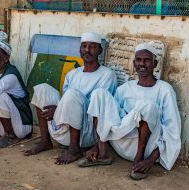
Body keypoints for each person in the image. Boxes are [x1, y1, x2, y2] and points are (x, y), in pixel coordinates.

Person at [79, 42, 181, 180]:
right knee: (99, 94)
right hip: (121, 143)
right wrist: (96, 146)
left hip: (147, 148)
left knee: (148, 106)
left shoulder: (165, 90)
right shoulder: (125, 88)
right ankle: (103, 152)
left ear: (155, 63)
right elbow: (109, 117)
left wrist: (150, 160)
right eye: (138, 60)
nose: (142, 64)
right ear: (134, 63)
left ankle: (138, 161)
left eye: (147, 60)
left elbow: (172, 130)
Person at [24, 32, 118, 165]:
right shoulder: (72, 74)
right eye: (84, 46)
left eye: (92, 47)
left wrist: (57, 111)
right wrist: (59, 111)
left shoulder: (107, 75)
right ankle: (45, 141)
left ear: (100, 50)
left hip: (87, 133)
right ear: (80, 50)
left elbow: (99, 108)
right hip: (65, 130)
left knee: (73, 94)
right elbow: (66, 103)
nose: (87, 50)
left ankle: (75, 149)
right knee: (42, 88)